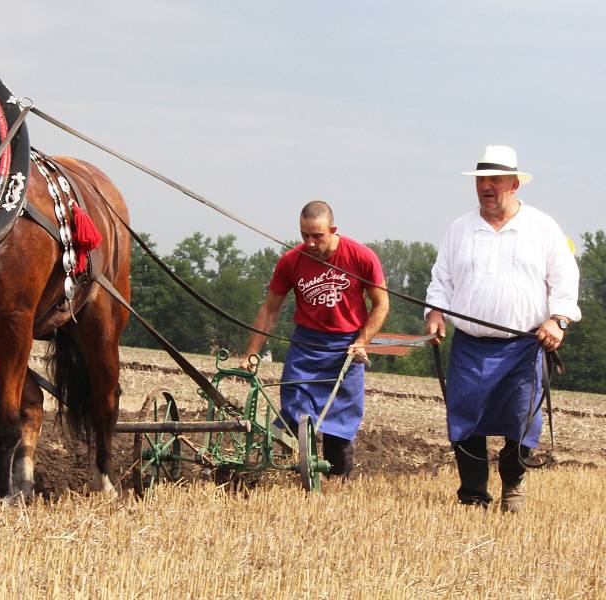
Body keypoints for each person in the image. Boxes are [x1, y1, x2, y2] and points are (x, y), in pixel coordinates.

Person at [425, 145, 581, 512]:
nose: (487, 186)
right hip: (470, 345)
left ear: (515, 184)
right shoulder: (459, 229)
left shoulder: (542, 227)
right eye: (481, 180)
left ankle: (513, 484)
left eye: (495, 180)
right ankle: (473, 495)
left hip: (524, 345)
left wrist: (558, 319)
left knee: (521, 421)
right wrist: (435, 313)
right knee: (465, 418)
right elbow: (441, 279)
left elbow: (564, 279)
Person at [240, 200, 389, 478]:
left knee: (340, 425)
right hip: (306, 347)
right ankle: (286, 472)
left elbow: (381, 304)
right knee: (294, 415)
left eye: (317, 235)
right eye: (304, 235)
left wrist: (363, 340)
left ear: (333, 230)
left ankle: (337, 483)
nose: (310, 242)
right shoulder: (291, 261)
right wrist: (252, 352)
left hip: (346, 347)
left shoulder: (361, 256)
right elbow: (270, 309)